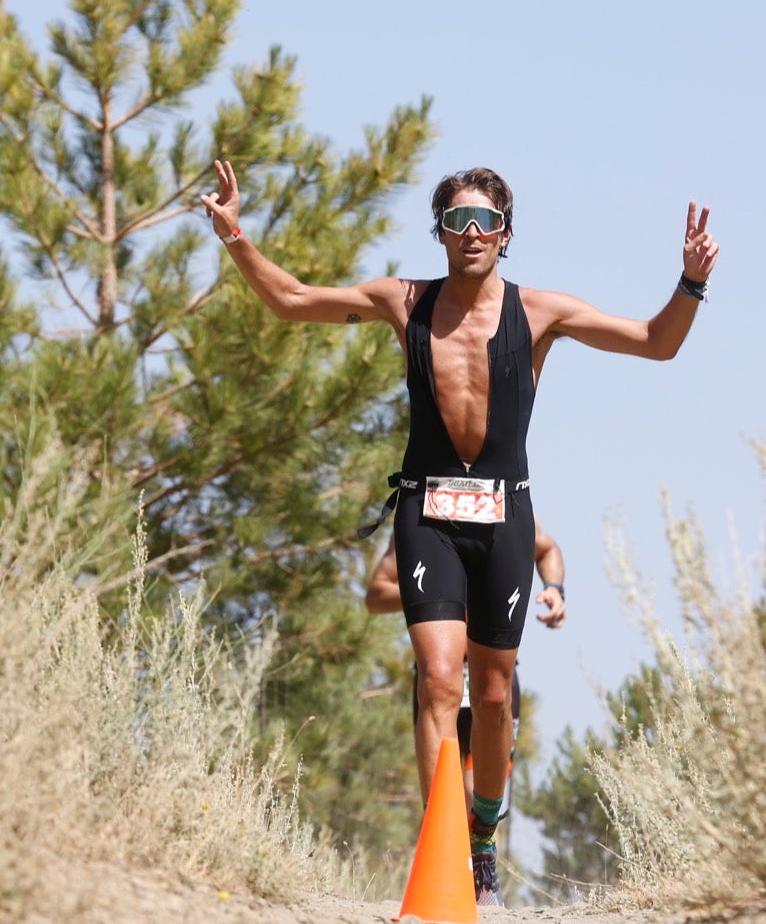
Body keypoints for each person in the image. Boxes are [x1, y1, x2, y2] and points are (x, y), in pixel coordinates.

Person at [200, 160, 718, 906]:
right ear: (439, 233)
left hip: (506, 516)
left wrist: (690, 283)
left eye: (485, 222)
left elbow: (653, 341)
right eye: (455, 222)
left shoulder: (540, 312)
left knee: (496, 694)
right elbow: (291, 300)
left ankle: (480, 838)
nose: (470, 234)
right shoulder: (402, 301)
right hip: (427, 513)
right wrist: (237, 236)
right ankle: (441, 845)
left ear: (505, 235)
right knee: (440, 679)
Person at [364, 517, 566, 824]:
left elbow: (548, 549)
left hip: (489, 680)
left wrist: (554, 588)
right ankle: (445, 862)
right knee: (443, 797)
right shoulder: (425, 510)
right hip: (439, 677)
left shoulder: (502, 501)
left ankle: (481, 860)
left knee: (478, 800)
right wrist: (435, 592)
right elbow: (376, 595)